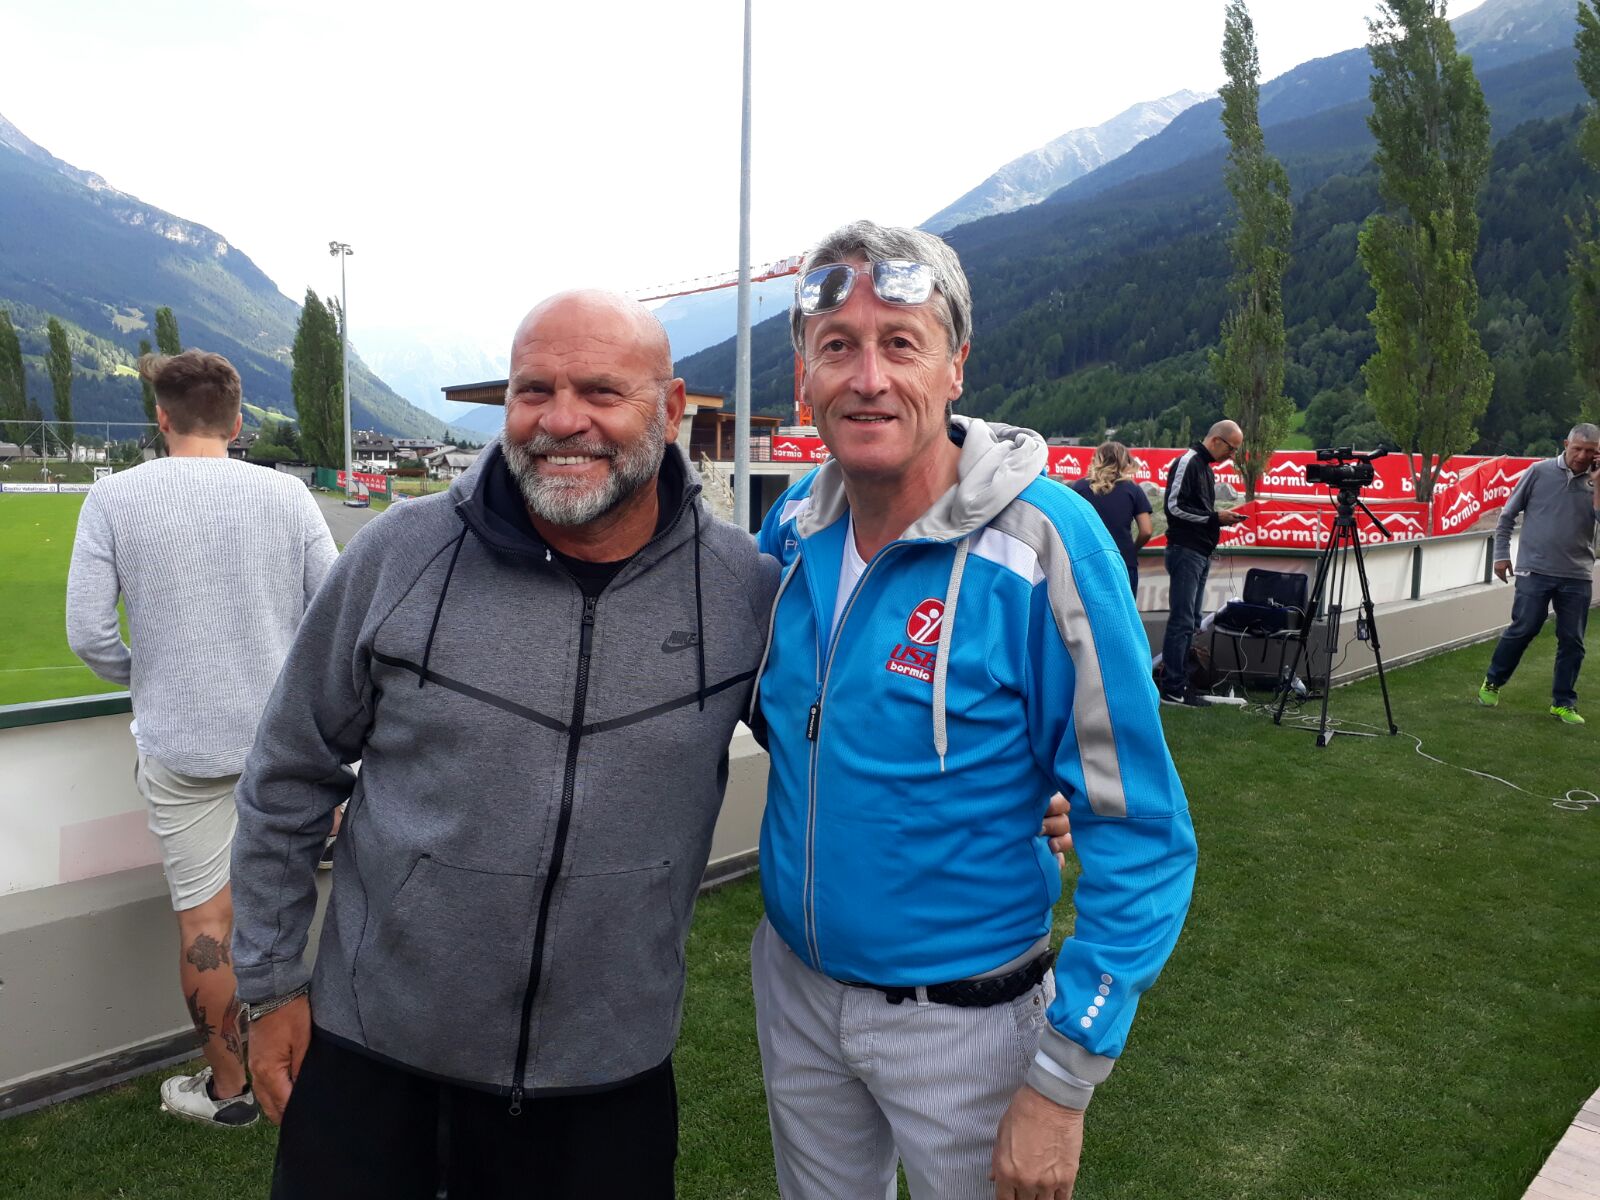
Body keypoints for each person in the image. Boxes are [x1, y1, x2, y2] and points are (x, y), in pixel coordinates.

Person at [229, 291, 780, 1198]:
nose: (561, 421)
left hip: (608, 1077)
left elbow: (837, 757)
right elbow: (289, 771)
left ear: (672, 407)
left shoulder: (740, 589)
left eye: (600, 391)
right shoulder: (399, 555)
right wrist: (270, 984)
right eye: (534, 391)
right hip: (376, 1056)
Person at [751, 221, 1197, 1200]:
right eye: (838, 347)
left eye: (900, 343)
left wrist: (1063, 1080)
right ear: (804, 378)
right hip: (796, 995)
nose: (868, 377)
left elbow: (1141, 828)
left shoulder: (1045, 543)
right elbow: (779, 715)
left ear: (955, 365)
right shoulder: (789, 529)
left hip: (968, 1026)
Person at [65, 350, 336, 1128]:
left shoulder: (114, 497)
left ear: (162, 416)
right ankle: (299, 1062)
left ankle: (230, 1092)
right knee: (283, 912)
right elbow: (335, 617)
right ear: (238, 419)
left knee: (206, 925)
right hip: (281, 745)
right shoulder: (286, 496)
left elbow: (89, 633)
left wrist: (149, 675)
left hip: (182, 750)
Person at [1479, 422, 1600, 725]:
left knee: (1572, 640)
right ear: (1566, 444)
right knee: (1525, 627)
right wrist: (1501, 555)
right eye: (1578, 449)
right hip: (1534, 569)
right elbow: (1508, 515)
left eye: (1590, 451)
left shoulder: (1598, 480)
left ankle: (1563, 703)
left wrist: (1598, 484)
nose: (1582, 456)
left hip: (1577, 573)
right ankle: (1493, 680)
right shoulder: (1539, 472)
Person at [1158, 420, 1246, 704]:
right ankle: (1173, 687)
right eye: (1231, 449)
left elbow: (1193, 510)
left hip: (1199, 551)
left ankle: (1182, 682)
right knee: (1182, 620)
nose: (1232, 456)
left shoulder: (1205, 468)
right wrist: (1214, 518)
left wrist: (1216, 518)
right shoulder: (1188, 461)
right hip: (1185, 550)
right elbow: (1173, 507)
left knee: (1192, 621)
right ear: (1216, 440)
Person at [1071, 440, 1153, 595]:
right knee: (1124, 609)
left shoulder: (1079, 487)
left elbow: (1070, 526)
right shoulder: (1133, 489)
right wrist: (1133, 549)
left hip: (1088, 562)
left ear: (1097, 459)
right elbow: (1146, 530)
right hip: (1123, 560)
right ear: (1125, 461)